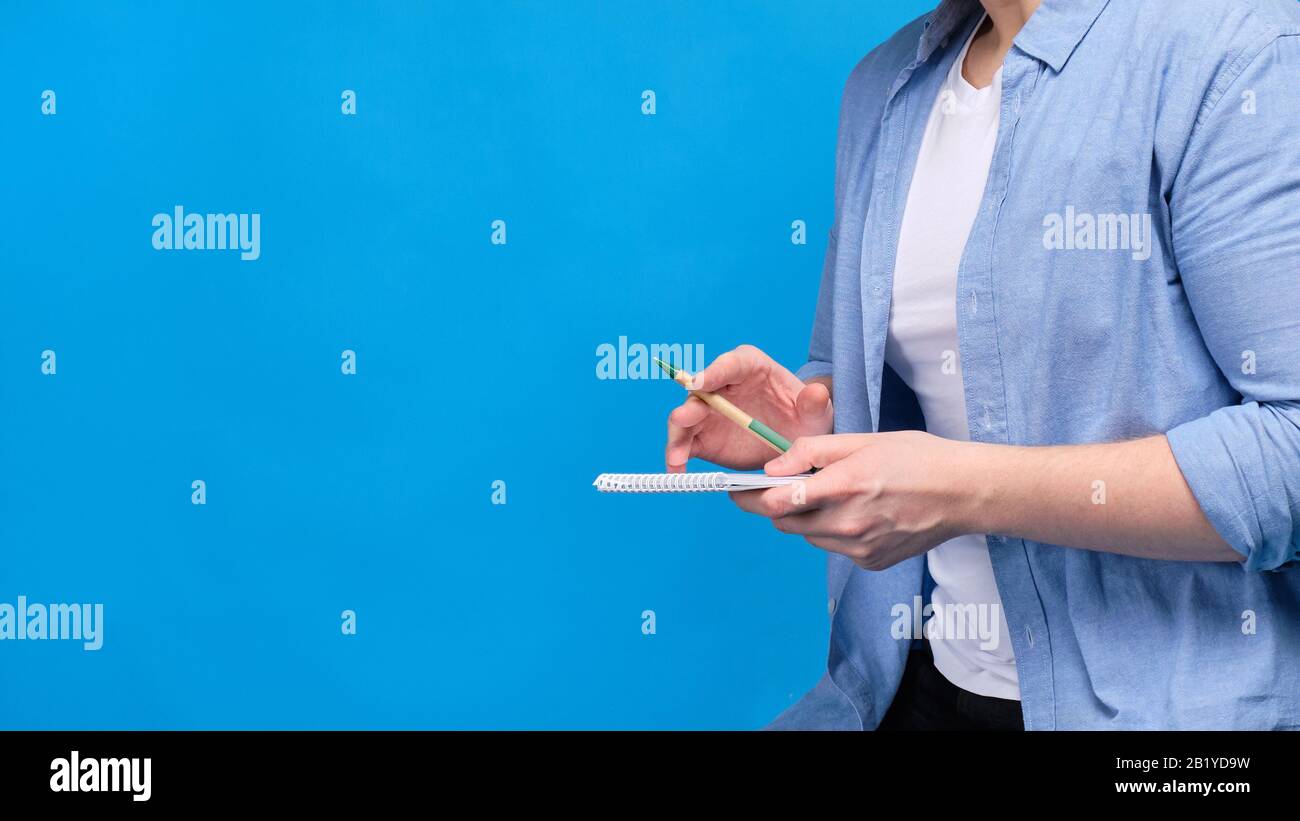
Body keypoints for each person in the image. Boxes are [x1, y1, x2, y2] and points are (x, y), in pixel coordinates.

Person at [665, 0, 1300, 730]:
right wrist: (813, 418)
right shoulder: (883, 88)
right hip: (922, 685)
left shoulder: (1231, 49)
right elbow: (930, 387)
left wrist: (965, 489)